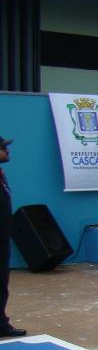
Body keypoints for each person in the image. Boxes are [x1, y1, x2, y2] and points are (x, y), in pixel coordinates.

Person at [0, 136, 24, 338]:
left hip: (2, 238)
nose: (7, 151)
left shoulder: (1, 174)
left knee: (1, 283)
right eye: (3, 148)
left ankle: (1, 323)